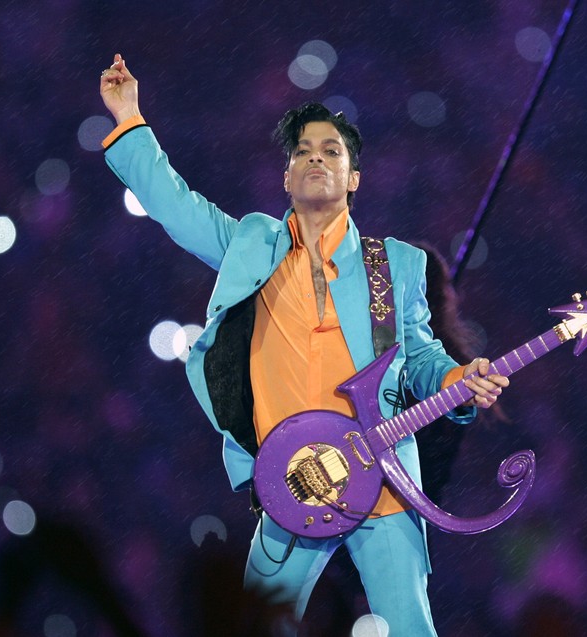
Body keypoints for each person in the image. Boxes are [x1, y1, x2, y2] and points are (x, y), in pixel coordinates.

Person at [99, 52, 509, 636]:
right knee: (251, 627)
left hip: (383, 472)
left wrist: (456, 379)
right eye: (303, 153)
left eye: (332, 152)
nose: (316, 159)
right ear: (287, 177)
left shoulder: (393, 264)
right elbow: (176, 205)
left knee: (411, 627)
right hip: (295, 477)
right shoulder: (251, 246)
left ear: (354, 177)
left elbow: (418, 357)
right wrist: (130, 118)